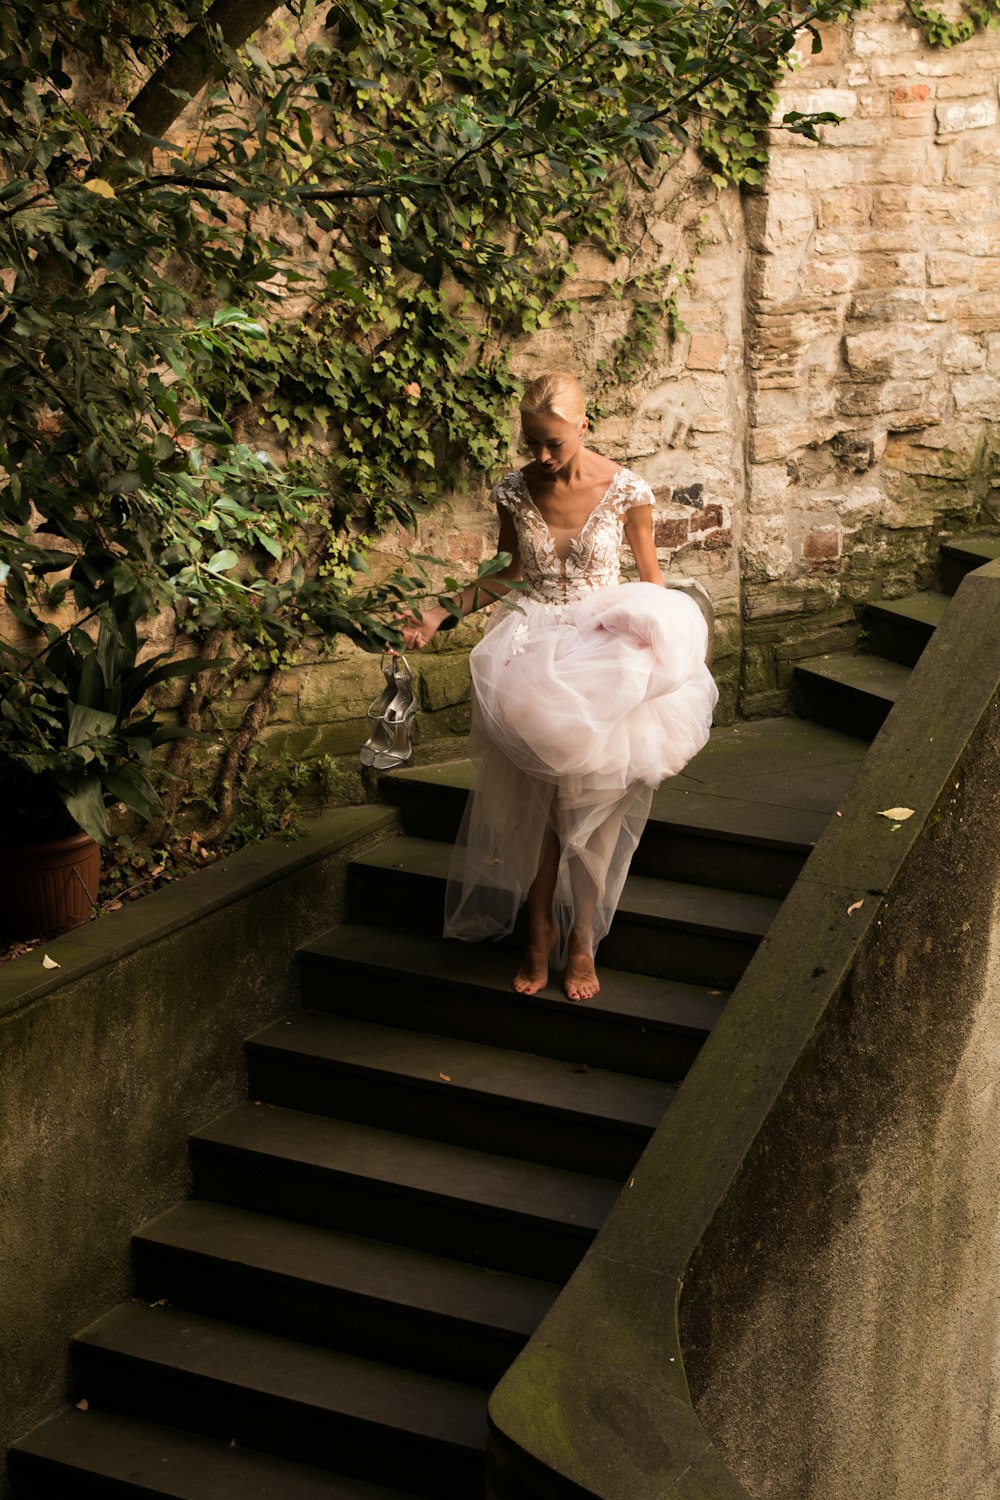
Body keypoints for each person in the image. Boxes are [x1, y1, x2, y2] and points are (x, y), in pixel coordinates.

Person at [399, 372, 717, 1001]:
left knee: (593, 810)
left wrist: (660, 649)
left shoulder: (627, 489)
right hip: (532, 651)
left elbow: (650, 581)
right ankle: (539, 929)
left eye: (553, 445)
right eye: (532, 443)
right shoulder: (515, 489)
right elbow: (508, 574)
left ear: (582, 427)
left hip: (603, 652)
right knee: (539, 809)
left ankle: (583, 940)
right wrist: (441, 613)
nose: (541, 457)